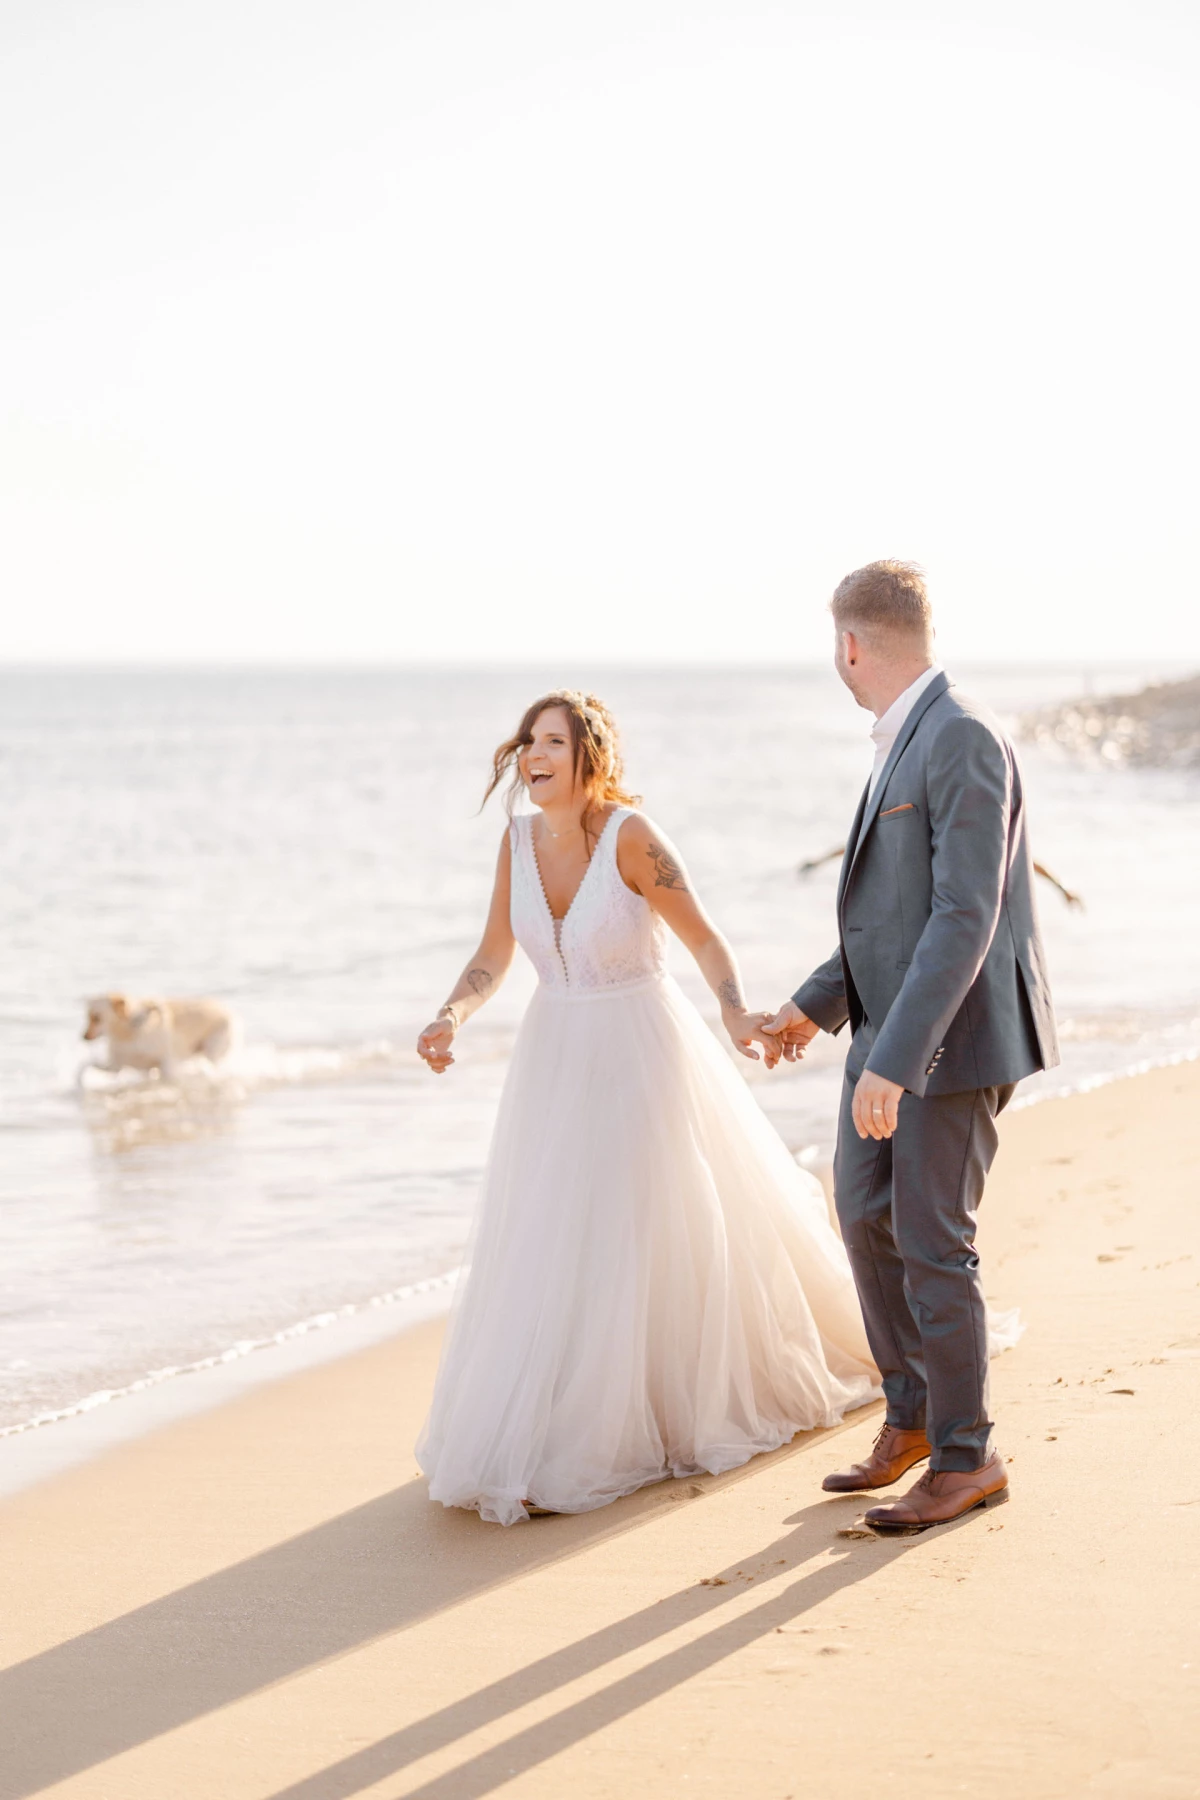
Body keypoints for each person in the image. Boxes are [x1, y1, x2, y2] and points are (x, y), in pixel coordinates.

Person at [414, 690, 878, 1524]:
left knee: (644, 1227)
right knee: (556, 1235)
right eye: (527, 741)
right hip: (553, 1057)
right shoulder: (516, 842)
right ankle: (552, 1421)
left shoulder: (632, 838)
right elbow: (494, 952)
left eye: (552, 741)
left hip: (640, 1049)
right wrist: (451, 1013)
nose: (534, 755)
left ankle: (648, 1413)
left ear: (591, 756)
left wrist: (737, 1009)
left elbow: (702, 936)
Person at [763, 561, 1058, 1531]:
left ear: (852, 643)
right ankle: (915, 1416)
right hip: (884, 1034)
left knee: (934, 1240)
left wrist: (899, 1057)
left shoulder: (962, 734)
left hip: (952, 1042)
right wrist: (815, 1006)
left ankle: (969, 1457)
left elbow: (963, 915)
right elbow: (889, 918)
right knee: (861, 1213)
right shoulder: (903, 740)